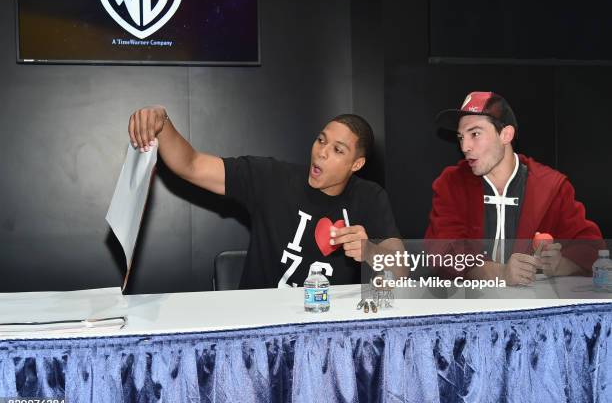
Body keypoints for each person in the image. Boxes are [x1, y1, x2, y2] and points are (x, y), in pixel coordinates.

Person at [129, 106, 400, 289]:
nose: (322, 152)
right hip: (259, 334)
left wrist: (370, 251)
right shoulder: (271, 178)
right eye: (321, 140)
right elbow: (191, 164)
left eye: (338, 150)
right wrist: (161, 122)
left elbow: (401, 272)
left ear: (357, 164)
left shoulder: (370, 197)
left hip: (327, 335)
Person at [426, 91, 603, 286]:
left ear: (506, 134)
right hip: (470, 310)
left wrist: (562, 265)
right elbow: (443, 254)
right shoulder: (452, 183)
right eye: (461, 137)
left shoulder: (550, 187)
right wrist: (500, 273)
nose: (465, 146)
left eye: (475, 134)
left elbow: (592, 248)